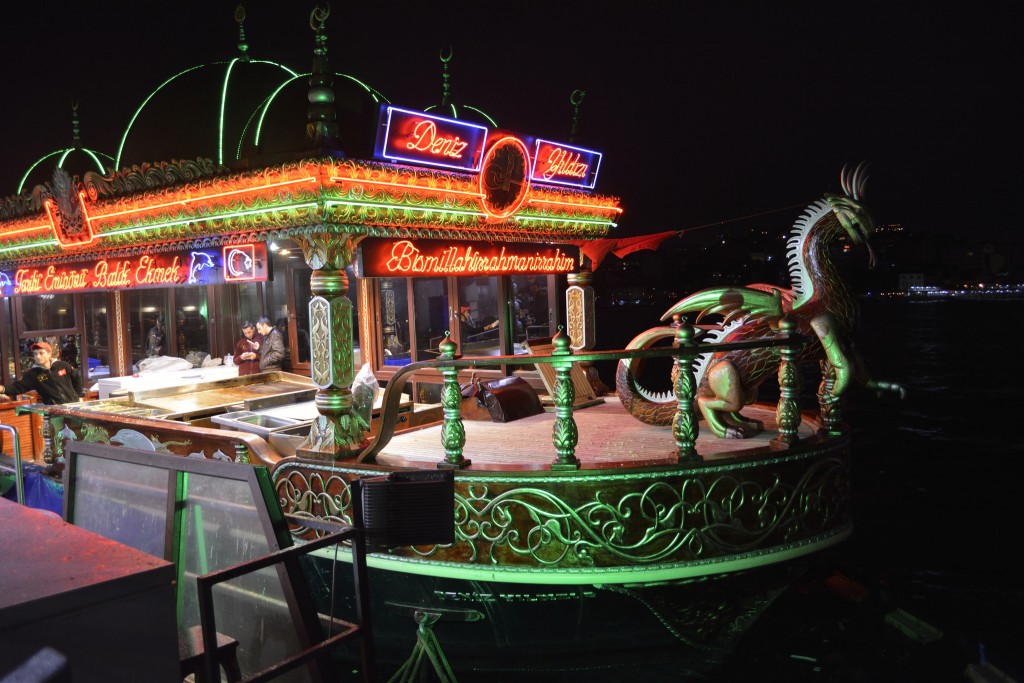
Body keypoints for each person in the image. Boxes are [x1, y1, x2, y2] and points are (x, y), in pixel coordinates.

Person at [0, 340, 85, 405]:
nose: (38, 356)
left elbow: (76, 377)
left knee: (76, 428)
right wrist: (3, 389)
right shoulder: (33, 374)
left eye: (41, 353)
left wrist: (79, 397)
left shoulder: (62, 365)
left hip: (73, 405)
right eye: (35, 354)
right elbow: (18, 387)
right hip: (54, 411)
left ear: (49, 354)